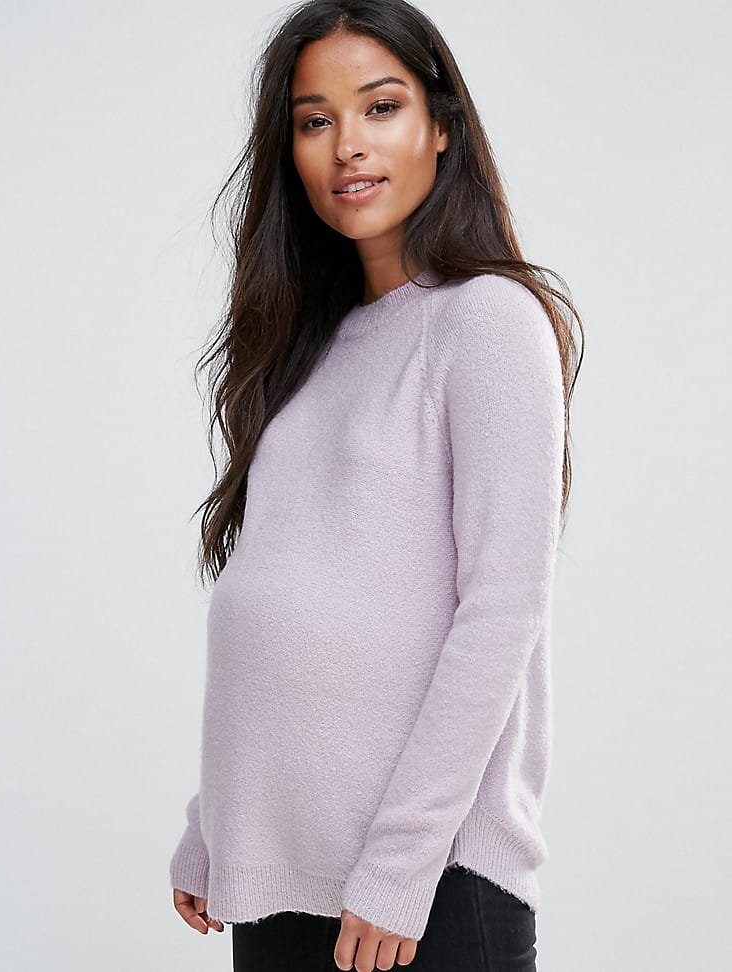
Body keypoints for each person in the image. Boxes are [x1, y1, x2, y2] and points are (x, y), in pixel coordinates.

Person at [168, 0, 584, 969]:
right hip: (281, 879)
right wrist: (212, 824)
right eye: (315, 120)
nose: (347, 144)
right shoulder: (308, 349)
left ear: (441, 125)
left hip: (422, 888)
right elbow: (282, 599)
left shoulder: (486, 320)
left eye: (381, 106)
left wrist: (400, 867)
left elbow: (501, 610)